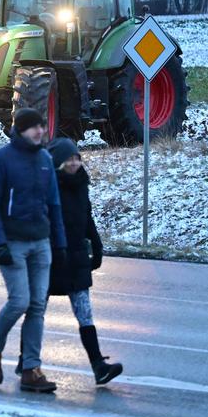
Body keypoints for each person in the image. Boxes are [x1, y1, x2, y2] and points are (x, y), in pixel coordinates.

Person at [0, 108, 66, 393]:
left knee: (38, 305)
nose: (40, 132)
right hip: (13, 243)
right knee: (20, 301)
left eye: (41, 126)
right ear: (20, 130)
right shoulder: (2, 158)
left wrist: (60, 243)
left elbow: (54, 204)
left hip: (41, 243)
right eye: (33, 128)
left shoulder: (45, 159)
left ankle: (31, 369)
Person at [43, 138, 123, 385]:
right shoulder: (48, 187)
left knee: (85, 315)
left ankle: (98, 366)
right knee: (37, 312)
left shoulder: (80, 184)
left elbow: (87, 217)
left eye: (77, 158)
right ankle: (27, 362)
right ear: (59, 162)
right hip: (50, 258)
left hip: (76, 257)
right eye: (70, 159)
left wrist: (97, 246)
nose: (75, 162)